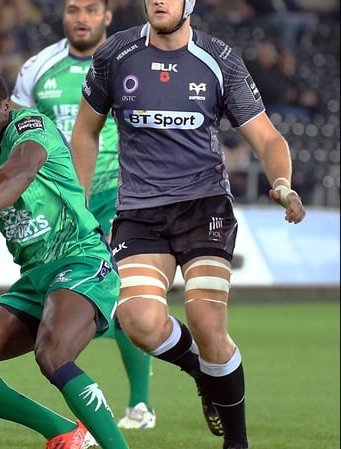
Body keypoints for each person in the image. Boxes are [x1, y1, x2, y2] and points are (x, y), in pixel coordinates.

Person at [69, 1, 307, 448]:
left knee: (204, 318)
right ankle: (205, 373)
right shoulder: (116, 55)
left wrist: (281, 183)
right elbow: (85, 131)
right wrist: (80, 205)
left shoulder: (218, 59)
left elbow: (268, 137)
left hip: (204, 208)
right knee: (137, 320)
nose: (158, 0)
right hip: (139, 211)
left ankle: (236, 441)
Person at [0, 66, 129, 449]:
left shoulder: (30, 126)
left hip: (81, 259)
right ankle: (64, 433)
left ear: (5, 106)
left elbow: (18, 174)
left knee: (53, 353)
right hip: (36, 278)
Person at [10, 0, 157, 430]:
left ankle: (141, 405)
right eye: (74, 9)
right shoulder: (39, 68)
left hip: (121, 197)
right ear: (64, 15)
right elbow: (17, 128)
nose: (82, 17)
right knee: (69, 302)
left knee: (126, 296)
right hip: (61, 208)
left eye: (92, 9)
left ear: (107, 16)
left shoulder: (130, 63)